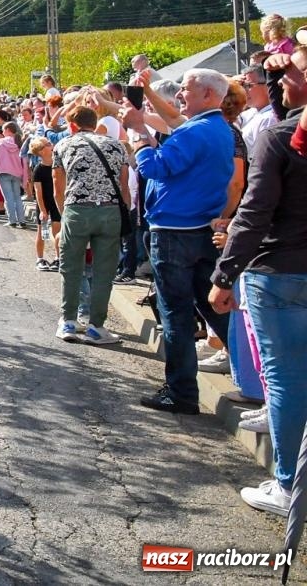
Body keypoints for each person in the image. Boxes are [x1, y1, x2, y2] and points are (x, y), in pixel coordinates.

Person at [209, 87, 307, 517]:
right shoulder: (282, 134)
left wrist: (224, 274)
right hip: (281, 271)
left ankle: (288, 487)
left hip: (280, 274)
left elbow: (254, 213)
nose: (279, 81)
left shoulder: (280, 137)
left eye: (288, 72)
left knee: (286, 380)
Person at [122, 69, 237, 413]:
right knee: (213, 306)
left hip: (175, 231)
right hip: (200, 227)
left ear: (207, 95)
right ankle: (251, 371)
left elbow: (156, 168)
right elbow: (174, 124)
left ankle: (181, 391)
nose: (180, 96)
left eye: (186, 90)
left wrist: (140, 136)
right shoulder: (218, 128)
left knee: (175, 313)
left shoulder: (197, 130)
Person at [52, 106, 128, 345]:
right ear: (95, 123)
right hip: (110, 209)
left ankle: (68, 321)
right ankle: (97, 325)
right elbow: (124, 185)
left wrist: (66, 212)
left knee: (71, 266)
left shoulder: (64, 145)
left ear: (72, 125)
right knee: (104, 271)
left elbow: (57, 185)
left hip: (77, 208)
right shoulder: (116, 145)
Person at [28, 135, 61, 270]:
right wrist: (42, 210)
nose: (51, 144)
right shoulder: (39, 169)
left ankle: (58, 257)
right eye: (47, 144)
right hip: (44, 203)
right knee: (42, 231)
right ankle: (40, 258)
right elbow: (38, 192)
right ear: (41, 151)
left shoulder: (58, 165)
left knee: (57, 230)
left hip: (56, 201)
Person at [0, 122, 29, 228]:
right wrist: (25, 178)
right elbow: (24, 161)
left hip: (3, 172)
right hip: (17, 173)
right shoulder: (19, 143)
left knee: (8, 198)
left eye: (4, 130)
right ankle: (22, 220)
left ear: (8, 130)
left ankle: (12, 220)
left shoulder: (1, 142)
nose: (2, 132)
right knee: (17, 197)